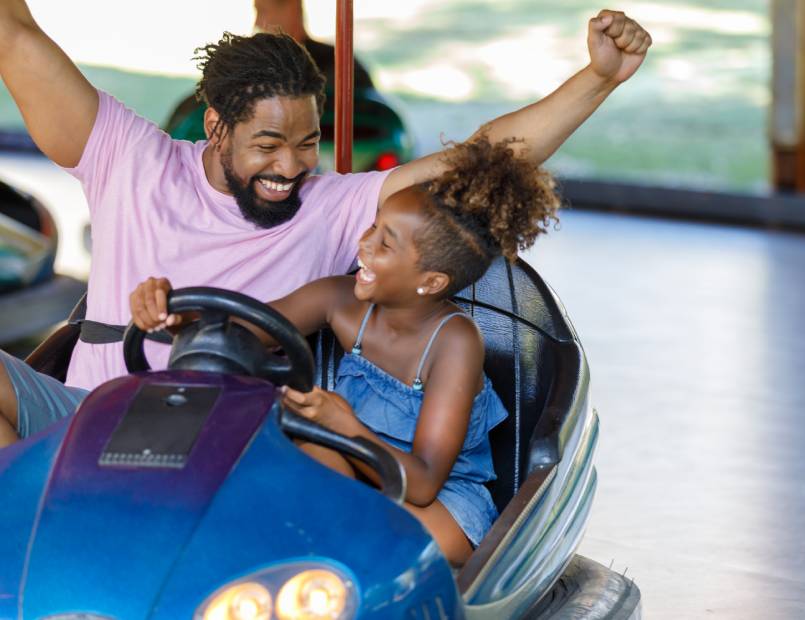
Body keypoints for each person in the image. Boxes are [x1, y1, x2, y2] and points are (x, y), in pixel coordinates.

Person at [0, 1, 651, 443]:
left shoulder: (333, 206)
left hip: (228, 446)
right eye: (268, 145)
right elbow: (15, 37)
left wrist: (597, 80)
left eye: (308, 142)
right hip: (84, 424)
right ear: (216, 127)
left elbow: (486, 155)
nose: (290, 166)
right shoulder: (128, 160)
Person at [128, 137, 560, 565]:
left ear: (430, 281)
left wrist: (344, 425)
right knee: (272, 474)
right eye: (374, 227)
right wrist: (178, 314)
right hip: (355, 471)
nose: (364, 245)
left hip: (437, 503)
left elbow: (425, 481)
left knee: (330, 525)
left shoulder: (454, 342)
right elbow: (243, 329)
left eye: (386, 244)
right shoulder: (340, 300)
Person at [164, 0, 376, 141]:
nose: (257, 21)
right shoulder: (245, 64)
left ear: (293, 8)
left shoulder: (343, 70)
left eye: (263, 11)